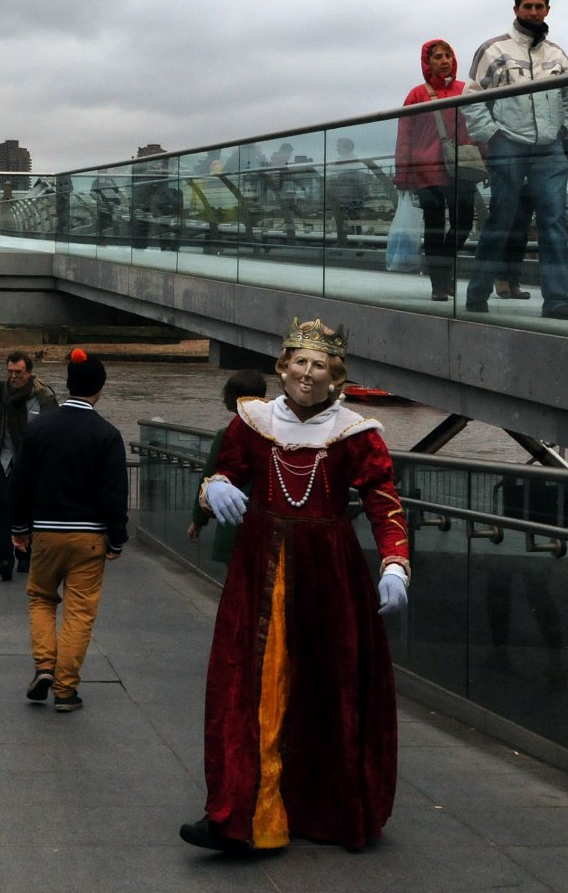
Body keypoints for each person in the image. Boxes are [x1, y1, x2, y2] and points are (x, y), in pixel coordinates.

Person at [181, 319, 409, 855]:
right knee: (250, 685)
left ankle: (322, 809)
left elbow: (384, 502)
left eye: (320, 365)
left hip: (331, 575)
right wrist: (215, 490)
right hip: (259, 568)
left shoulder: (356, 433)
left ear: (336, 375)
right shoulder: (253, 422)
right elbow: (225, 470)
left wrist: (395, 562)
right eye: (300, 362)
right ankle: (239, 814)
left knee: (329, 688)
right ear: (283, 366)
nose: (308, 373)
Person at [6, 349, 129, 713]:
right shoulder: (107, 434)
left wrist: (19, 527)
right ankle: (65, 689)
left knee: (41, 598)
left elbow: (21, 482)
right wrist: (117, 538)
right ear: (100, 389)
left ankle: (44, 666)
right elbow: (115, 493)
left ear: (68, 384)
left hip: (45, 531)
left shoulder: (40, 427)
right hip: (90, 536)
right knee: (79, 612)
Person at [462, 0, 568, 320]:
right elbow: (471, 99)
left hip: (549, 148)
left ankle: (558, 301)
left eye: (539, 6)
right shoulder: (493, 50)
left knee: (554, 223)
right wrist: (493, 136)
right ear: (515, 9)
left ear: (547, 9)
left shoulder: (558, 54)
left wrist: (564, 128)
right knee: (501, 220)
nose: (533, 12)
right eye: (527, 6)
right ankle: (477, 294)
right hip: (509, 145)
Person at [393, 39, 478, 301]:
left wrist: (484, 163)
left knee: (463, 224)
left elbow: (478, 127)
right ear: (427, 63)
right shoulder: (417, 95)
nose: (444, 61)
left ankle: (442, 269)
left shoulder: (467, 90)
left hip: (461, 169)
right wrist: (403, 173)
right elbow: (404, 135)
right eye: (438, 57)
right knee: (434, 227)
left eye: (448, 56)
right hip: (426, 171)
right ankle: (439, 286)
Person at [0, 350, 60, 580]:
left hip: (32, 465)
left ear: (29, 373)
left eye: (18, 372)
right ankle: (5, 559)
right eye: (10, 372)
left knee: (30, 510)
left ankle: (25, 555)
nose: (14, 377)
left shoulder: (43, 396)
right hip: (3, 462)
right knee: (4, 510)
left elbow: (54, 433)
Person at [184, 369, 272, 562]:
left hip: (236, 521)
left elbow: (209, 477)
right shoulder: (274, 432)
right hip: (271, 523)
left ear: (234, 398)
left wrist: (198, 520)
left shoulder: (227, 434)